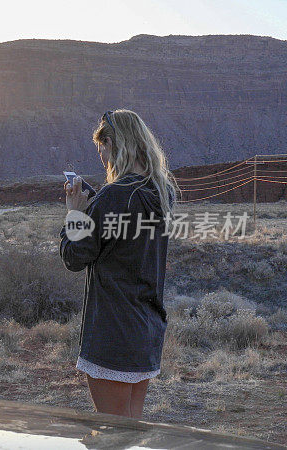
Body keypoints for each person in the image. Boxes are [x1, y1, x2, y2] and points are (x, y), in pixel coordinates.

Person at [60, 109, 176, 418]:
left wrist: (76, 213)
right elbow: (124, 237)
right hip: (146, 331)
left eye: (101, 149)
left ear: (111, 143)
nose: (102, 158)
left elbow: (75, 256)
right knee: (129, 433)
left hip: (112, 334)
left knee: (112, 436)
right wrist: (95, 204)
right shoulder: (162, 192)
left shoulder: (113, 196)